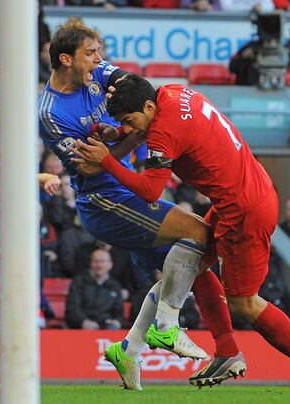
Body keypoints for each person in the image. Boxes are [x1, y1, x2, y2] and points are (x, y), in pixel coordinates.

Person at [72, 74, 290, 391]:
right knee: (189, 263)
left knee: (244, 304)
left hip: (243, 210)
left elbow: (149, 190)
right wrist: (118, 134)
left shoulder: (162, 131)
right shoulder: (172, 93)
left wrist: (107, 160)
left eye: (129, 121)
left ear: (147, 105)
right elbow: (155, 128)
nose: (129, 129)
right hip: (247, 192)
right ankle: (181, 348)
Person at [38, 19, 243, 390]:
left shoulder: (98, 71)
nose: (100, 59)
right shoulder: (52, 114)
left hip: (125, 187)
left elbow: (137, 99)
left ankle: (128, 349)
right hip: (104, 200)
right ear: (66, 59)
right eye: (91, 53)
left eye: (99, 51)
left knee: (188, 265)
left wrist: (118, 139)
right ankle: (166, 327)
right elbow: (92, 164)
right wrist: (125, 140)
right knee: (198, 233)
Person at [65, 248, 124, 329]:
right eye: (96, 261)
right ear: (91, 263)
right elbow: (72, 308)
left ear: (110, 264)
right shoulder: (79, 282)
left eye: (102, 261)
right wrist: (83, 321)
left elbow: (119, 312)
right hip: (81, 327)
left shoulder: (115, 285)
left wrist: (117, 321)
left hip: (107, 328)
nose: (99, 265)